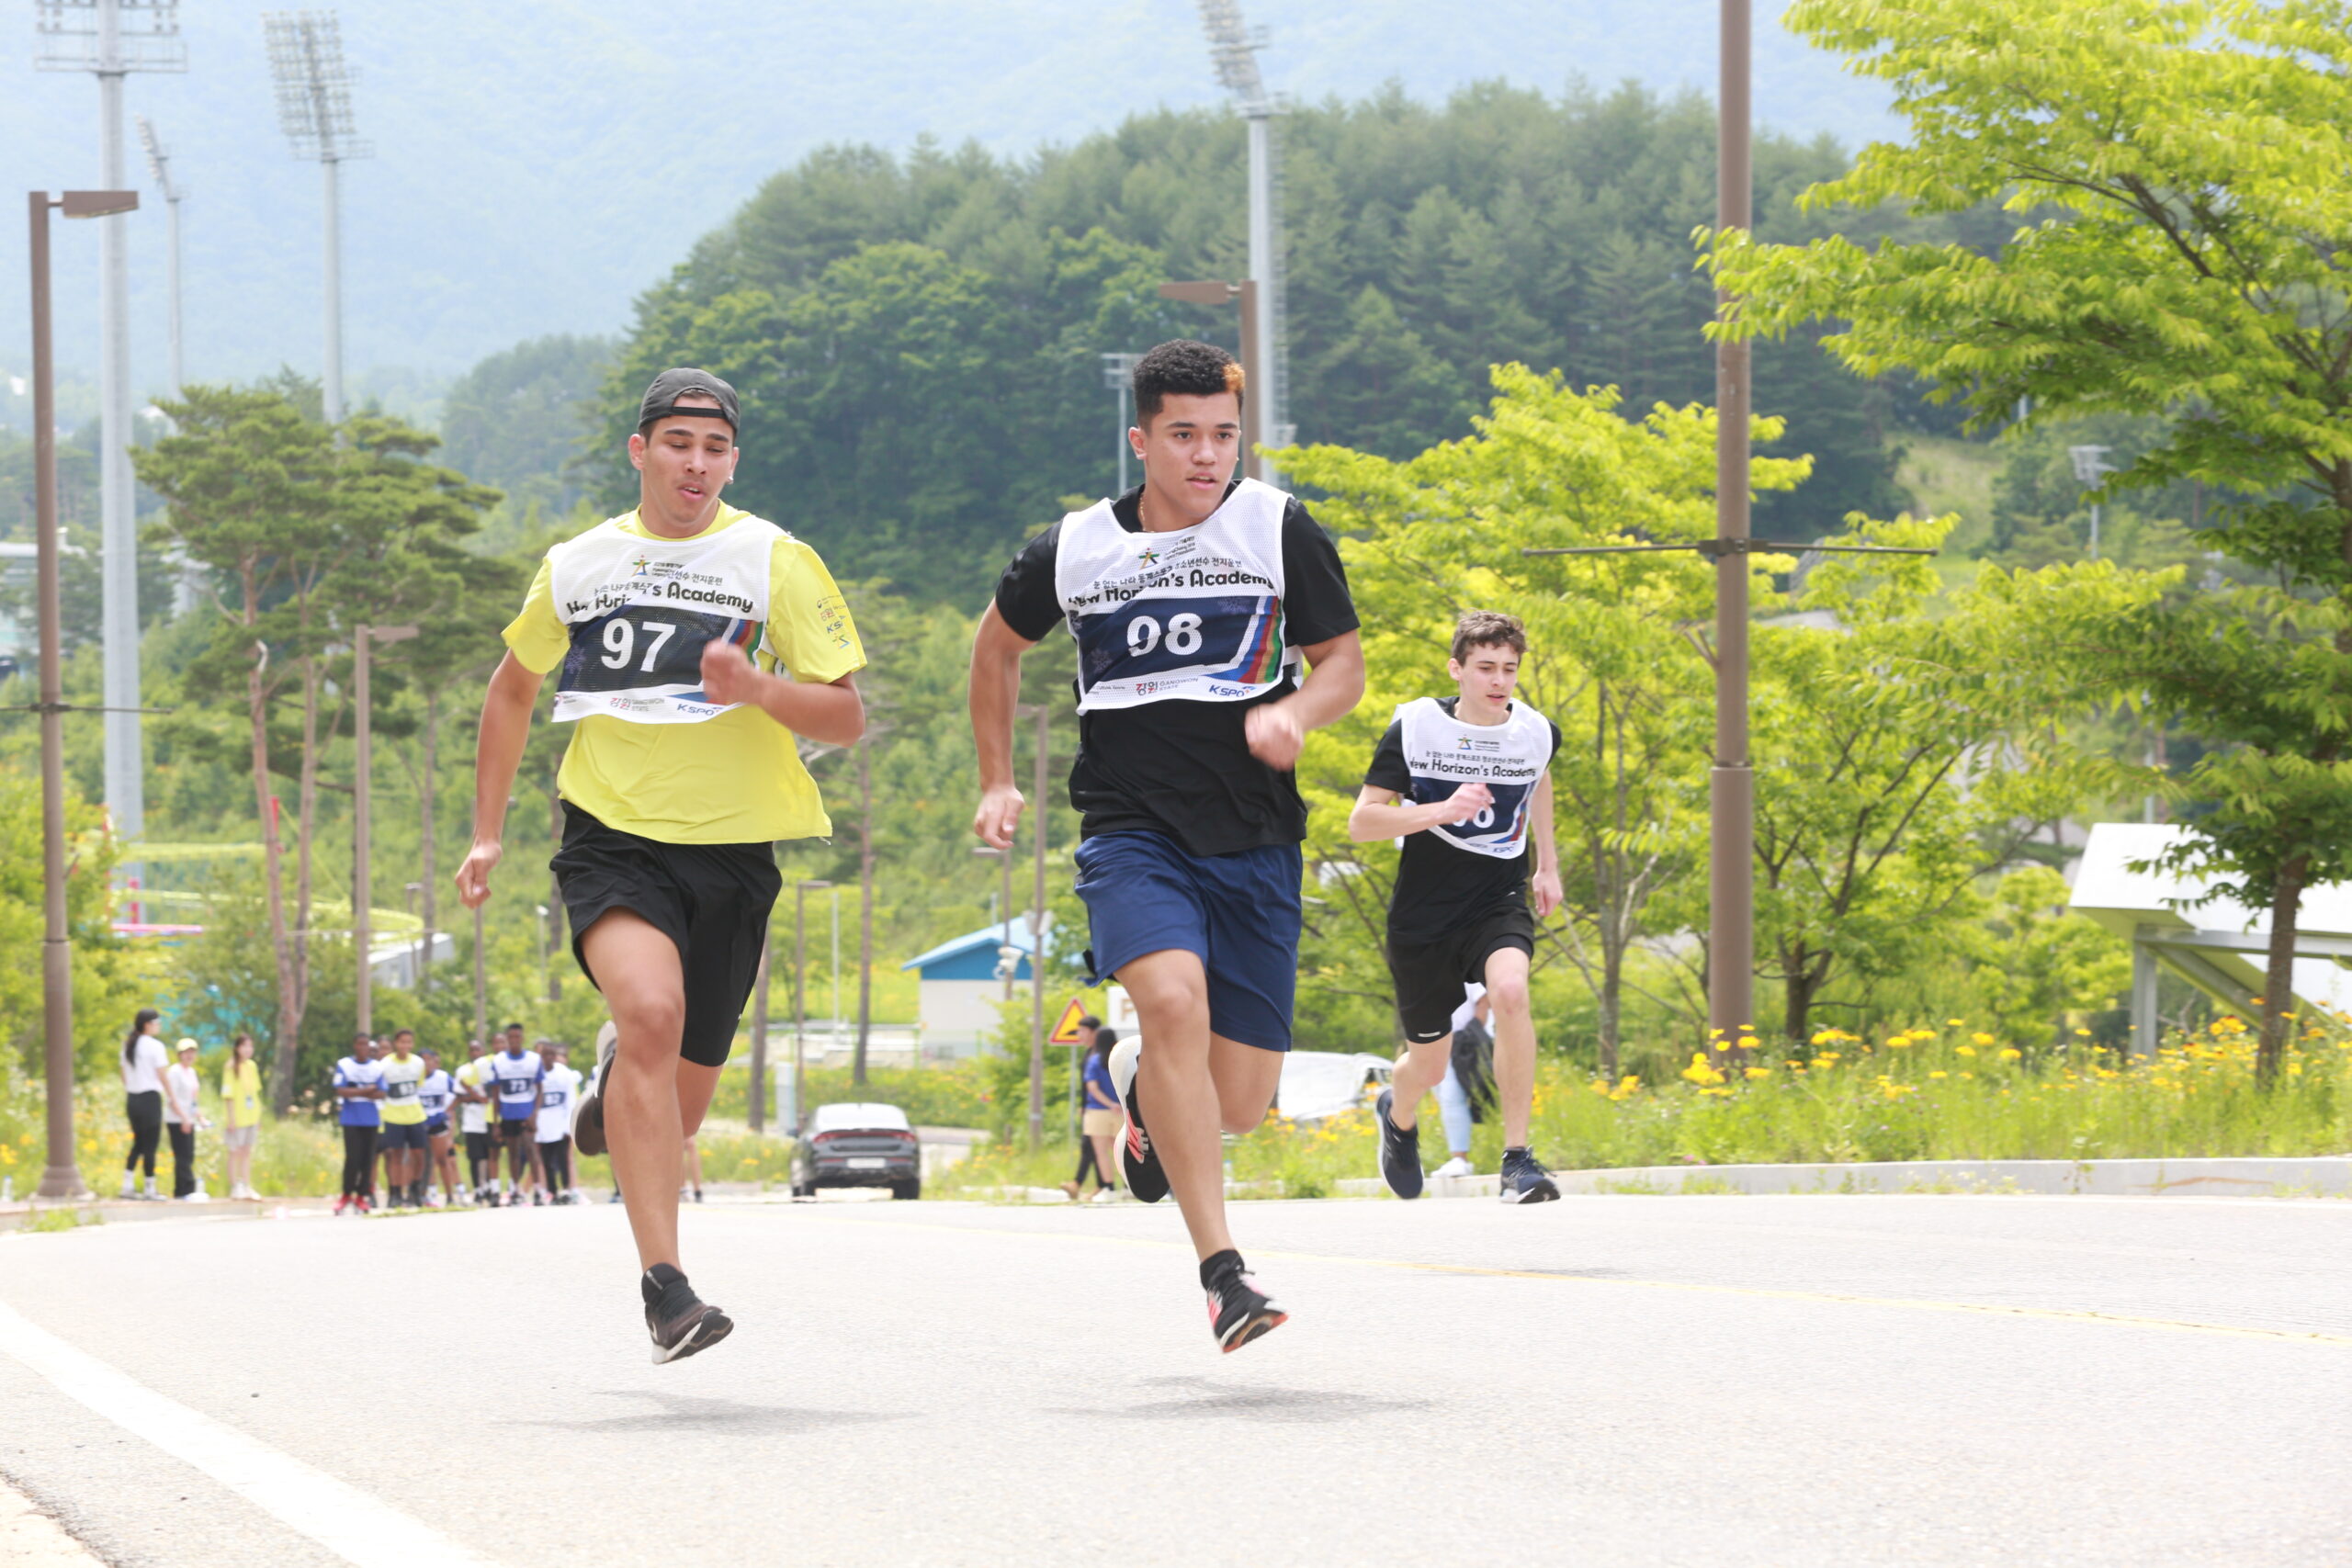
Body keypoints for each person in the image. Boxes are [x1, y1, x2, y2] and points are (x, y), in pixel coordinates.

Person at [458, 367, 865, 1361]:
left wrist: (759, 688)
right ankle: (666, 1289)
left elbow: (847, 716)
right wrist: (486, 831)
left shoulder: (775, 559)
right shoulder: (578, 564)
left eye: (715, 447)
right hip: (613, 834)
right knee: (649, 1012)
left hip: (733, 850)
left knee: (676, 1105)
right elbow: (512, 692)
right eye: (677, 443)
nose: (696, 463)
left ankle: (616, 1084)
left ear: (733, 459)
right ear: (640, 451)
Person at [969, 339, 1363, 1352]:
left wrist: (1298, 717)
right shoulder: (1074, 549)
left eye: (1224, 437)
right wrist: (998, 777)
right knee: (1171, 997)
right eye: (1183, 436)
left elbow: (1343, 667)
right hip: (1132, 832)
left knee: (1239, 1104)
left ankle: (1147, 1090)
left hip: (1257, 842)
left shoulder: (1275, 527)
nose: (1206, 457)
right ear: (1141, 439)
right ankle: (1222, 1273)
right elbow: (996, 648)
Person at [1347, 610, 1564, 1204]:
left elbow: (1538, 776)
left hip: (1497, 898)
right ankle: (1399, 1109)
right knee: (1431, 1065)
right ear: (1457, 668)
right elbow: (1362, 820)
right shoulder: (1417, 729)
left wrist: (1547, 863)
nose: (1499, 681)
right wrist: (1439, 811)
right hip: (1424, 914)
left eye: (1510, 669)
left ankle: (1517, 1160)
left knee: (1513, 992)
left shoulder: (1535, 731)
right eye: (1486, 668)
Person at [484, 1028, 546, 1205]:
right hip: (508, 1112)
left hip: (527, 1111)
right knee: (513, 1153)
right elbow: (495, 1094)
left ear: (522, 1038)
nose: (514, 1040)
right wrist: (496, 1123)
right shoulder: (499, 1061)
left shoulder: (533, 1060)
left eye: (517, 1036)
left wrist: (535, 1114)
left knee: (531, 1149)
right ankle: (515, 1189)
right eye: (510, 1037)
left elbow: (540, 1090)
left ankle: (538, 1190)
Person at [375, 1029, 430, 1208]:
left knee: (419, 1154)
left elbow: (418, 1085)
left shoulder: (418, 1063)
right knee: (395, 1155)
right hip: (393, 1115)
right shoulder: (385, 1064)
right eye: (402, 1042)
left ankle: (415, 1188)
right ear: (395, 1044)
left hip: (415, 1114)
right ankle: (395, 1192)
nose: (405, 1046)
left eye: (409, 1042)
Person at [118, 1009, 168, 1200]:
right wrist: (171, 1097)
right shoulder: (155, 1046)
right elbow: (162, 1076)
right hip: (150, 1098)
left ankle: (127, 1184)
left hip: (132, 1098)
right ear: (147, 1024)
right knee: (150, 1144)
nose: (159, 1026)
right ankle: (149, 1187)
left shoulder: (128, 1045)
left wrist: (132, 1088)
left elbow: (124, 1075)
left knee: (138, 1141)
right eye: (157, 1023)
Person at [332, 1034, 384, 1215]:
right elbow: (340, 1090)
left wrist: (355, 1092)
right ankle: (346, 1194)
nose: (363, 1048)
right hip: (351, 1118)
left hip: (370, 1118)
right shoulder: (345, 1065)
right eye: (360, 1044)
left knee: (367, 1160)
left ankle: (362, 1196)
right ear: (354, 1045)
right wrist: (366, 1090)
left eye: (366, 1045)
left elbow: (382, 1092)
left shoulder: (377, 1067)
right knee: (352, 1158)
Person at [1069, 1021, 1122, 1202]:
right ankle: (1129, 1186)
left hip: (1098, 1112)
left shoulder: (1094, 1060)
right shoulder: (1119, 1061)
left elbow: (1092, 1087)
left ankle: (1110, 1189)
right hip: (1121, 1112)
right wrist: (1118, 1104)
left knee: (1101, 1153)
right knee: (1120, 1151)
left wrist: (1108, 1104)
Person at [536, 1040, 583, 1204]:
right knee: (547, 1161)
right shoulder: (537, 1073)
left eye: (551, 1054)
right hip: (542, 1124)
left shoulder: (563, 1073)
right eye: (545, 1054)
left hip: (560, 1124)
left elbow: (570, 1100)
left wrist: (568, 1126)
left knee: (563, 1159)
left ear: (555, 1056)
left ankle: (567, 1189)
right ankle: (552, 1191)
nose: (548, 1058)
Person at [220, 1032, 263, 1200]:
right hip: (237, 1117)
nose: (248, 1050)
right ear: (237, 1048)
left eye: (250, 1046)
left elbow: (255, 1093)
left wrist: (258, 1117)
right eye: (244, 1046)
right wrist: (231, 1119)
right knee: (234, 1152)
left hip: (251, 1115)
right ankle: (235, 1186)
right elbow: (228, 1095)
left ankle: (246, 1184)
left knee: (246, 1152)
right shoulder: (231, 1066)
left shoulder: (252, 1066)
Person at [453, 1037, 496, 1203]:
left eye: (478, 1050)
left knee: (489, 1155)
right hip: (471, 1118)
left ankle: (490, 1188)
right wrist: (477, 1097)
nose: (475, 1053)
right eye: (472, 1050)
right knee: (474, 1156)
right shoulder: (462, 1071)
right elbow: (460, 1095)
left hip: (489, 1116)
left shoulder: (488, 1066)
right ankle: (478, 1189)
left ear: (483, 1051)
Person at [164, 1038, 206, 1201]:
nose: (189, 1056)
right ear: (180, 1054)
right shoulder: (175, 1071)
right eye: (186, 1052)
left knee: (188, 1154)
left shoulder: (192, 1073)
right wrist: (183, 1118)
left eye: (192, 1052)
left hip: (189, 1118)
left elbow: (193, 1099)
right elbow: (171, 1098)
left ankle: (184, 1190)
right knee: (183, 1155)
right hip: (176, 1119)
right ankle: (185, 1190)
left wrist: (199, 1117)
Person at [417, 1048, 460, 1207]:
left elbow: (459, 1094)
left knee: (442, 1159)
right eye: (423, 1060)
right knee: (423, 1161)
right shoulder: (415, 1079)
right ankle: (422, 1195)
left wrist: (447, 1112)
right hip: (420, 1121)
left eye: (430, 1059)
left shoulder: (442, 1077)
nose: (427, 1063)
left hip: (438, 1121)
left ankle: (450, 1196)